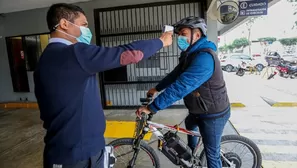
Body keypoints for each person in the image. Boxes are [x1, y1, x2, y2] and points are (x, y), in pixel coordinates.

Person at [34, 3, 172, 168]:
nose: (87, 30)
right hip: (77, 156)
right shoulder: (73, 53)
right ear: (64, 24)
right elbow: (127, 54)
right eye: (84, 25)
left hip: (69, 149)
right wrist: (160, 42)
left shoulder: (47, 58)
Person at [136, 16, 231, 168]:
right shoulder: (189, 55)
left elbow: (181, 87)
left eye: (184, 33)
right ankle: (192, 158)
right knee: (190, 125)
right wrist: (157, 88)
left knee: (211, 154)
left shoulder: (205, 58)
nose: (180, 37)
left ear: (197, 35)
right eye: (179, 34)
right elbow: (175, 75)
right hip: (198, 109)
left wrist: (151, 107)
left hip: (213, 114)